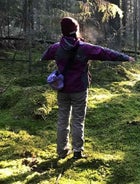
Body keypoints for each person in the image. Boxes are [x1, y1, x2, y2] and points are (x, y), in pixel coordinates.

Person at [41, 17, 134, 159]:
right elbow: (105, 53)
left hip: (63, 88)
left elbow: (44, 56)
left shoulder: (55, 48)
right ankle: (77, 151)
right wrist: (125, 57)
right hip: (79, 89)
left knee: (62, 120)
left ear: (63, 32)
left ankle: (61, 151)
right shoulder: (84, 48)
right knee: (78, 120)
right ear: (76, 30)